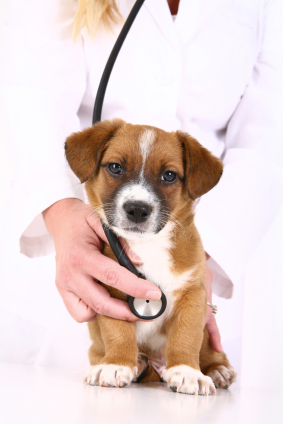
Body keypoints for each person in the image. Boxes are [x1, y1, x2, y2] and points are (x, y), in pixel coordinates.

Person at [1, 0, 282, 385]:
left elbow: (269, 134)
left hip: (197, 246)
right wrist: (63, 213)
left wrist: (202, 262)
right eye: (117, 168)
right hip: (76, 244)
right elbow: (27, 90)